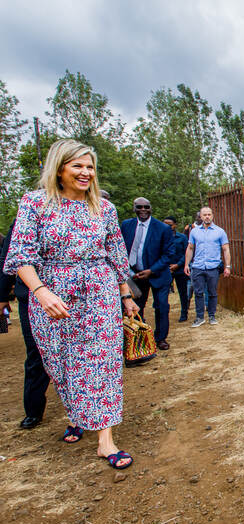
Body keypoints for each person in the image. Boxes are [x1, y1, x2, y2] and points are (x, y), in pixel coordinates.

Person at [3, 138, 139, 469]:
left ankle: (106, 441)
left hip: (98, 292)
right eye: (77, 165)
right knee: (62, 363)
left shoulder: (103, 209)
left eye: (90, 167)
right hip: (52, 295)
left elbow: (116, 256)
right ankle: (77, 413)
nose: (85, 173)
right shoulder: (35, 204)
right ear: (59, 167)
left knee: (103, 364)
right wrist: (40, 291)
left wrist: (125, 295)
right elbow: (20, 254)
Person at [0, 219, 49, 429]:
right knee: (36, 353)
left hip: (72, 297)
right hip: (31, 297)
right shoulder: (27, 216)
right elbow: (8, 258)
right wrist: (2, 295)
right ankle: (34, 409)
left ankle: (79, 410)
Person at [121, 198, 175, 350]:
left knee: (162, 306)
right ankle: (138, 338)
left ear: (151, 209)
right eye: (139, 207)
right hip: (135, 275)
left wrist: (151, 270)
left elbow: (168, 254)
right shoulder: (126, 225)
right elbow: (121, 248)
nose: (143, 210)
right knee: (136, 307)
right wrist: (129, 271)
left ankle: (161, 338)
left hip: (157, 274)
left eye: (146, 207)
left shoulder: (162, 228)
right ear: (134, 208)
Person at [184, 206, 231, 327]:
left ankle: (212, 316)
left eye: (209, 214)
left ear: (212, 215)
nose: (207, 217)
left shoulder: (220, 231)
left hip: (213, 267)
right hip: (198, 266)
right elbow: (190, 248)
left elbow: (226, 249)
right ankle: (200, 317)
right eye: (204, 215)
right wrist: (186, 265)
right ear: (200, 216)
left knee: (212, 292)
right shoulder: (194, 231)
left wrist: (228, 266)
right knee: (198, 293)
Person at [163, 216, 190, 322]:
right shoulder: (161, 237)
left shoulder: (182, 238)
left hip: (179, 269)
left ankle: (184, 313)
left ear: (175, 225)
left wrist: (178, 265)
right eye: (165, 224)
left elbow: (186, 253)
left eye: (170, 225)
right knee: (164, 293)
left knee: (183, 292)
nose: (167, 227)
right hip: (165, 269)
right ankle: (164, 314)